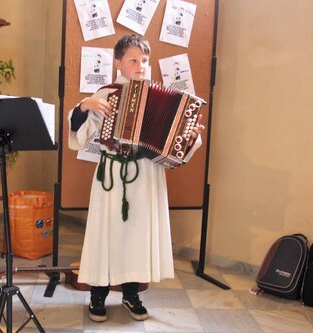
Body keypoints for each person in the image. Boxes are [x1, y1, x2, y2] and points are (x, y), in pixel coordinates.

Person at [68, 34, 205, 322]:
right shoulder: (105, 94)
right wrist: (84, 107)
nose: (140, 66)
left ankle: (131, 295)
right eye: (132, 60)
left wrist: (189, 138)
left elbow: (174, 149)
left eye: (144, 60)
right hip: (111, 175)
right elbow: (79, 135)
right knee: (105, 234)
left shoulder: (166, 98)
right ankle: (98, 296)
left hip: (146, 175)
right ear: (117, 62)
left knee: (136, 237)